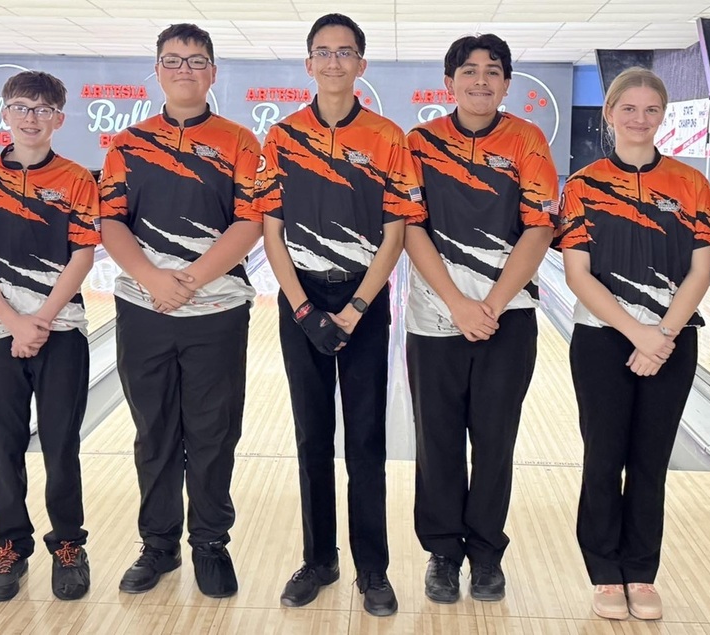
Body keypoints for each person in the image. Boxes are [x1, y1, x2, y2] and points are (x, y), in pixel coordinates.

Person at [255, 13, 425, 617]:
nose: (333, 62)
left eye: (344, 52)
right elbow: (269, 231)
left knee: (366, 439)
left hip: (364, 301)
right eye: (322, 53)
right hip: (300, 301)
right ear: (309, 64)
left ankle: (372, 568)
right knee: (310, 437)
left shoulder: (387, 137)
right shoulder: (280, 137)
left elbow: (397, 230)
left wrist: (357, 307)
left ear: (360, 65)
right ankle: (319, 559)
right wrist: (301, 307)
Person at [554, 67, 710, 621]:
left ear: (662, 116)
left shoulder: (691, 185)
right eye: (627, 109)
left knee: (650, 461)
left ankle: (641, 571)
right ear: (609, 115)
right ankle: (605, 571)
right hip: (602, 340)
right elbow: (577, 274)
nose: (638, 119)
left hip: (673, 339)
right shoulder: (582, 185)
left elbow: (700, 273)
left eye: (650, 110)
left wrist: (664, 336)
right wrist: (638, 334)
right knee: (604, 458)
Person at [99, 23, 262, 598]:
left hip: (217, 308)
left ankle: (211, 544)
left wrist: (189, 279)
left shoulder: (242, 142)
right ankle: (158, 545)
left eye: (197, 61)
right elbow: (111, 221)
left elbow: (251, 222)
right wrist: (151, 280)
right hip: (144, 311)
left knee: (214, 432)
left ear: (213, 73)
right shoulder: (126, 144)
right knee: (155, 431)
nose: (185, 70)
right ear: (159, 71)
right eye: (174, 60)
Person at [404, 34, 558, 604]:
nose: (480, 81)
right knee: (438, 440)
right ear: (449, 83)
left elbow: (539, 226)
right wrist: (458, 303)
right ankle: (444, 554)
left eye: (492, 72)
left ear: (507, 82)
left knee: (496, 441)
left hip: (508, 317)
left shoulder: (527, 139)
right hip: (434, 317)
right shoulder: (419, 143)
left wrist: (489, 305)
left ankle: (487, 555)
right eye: (468, 71)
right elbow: (410, 227)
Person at [0, 71, 99, 602]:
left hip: (61, 330)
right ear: (4, 112)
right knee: (4, 444)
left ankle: (69, 543)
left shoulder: (76, 179)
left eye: (43, 110)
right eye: (21, 107)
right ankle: (13, 546)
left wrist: (39, 319)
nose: (31, 118)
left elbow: (83, 253)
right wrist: (12, 321)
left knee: (62, 445)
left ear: (59, 119)